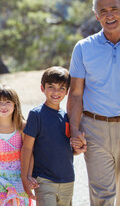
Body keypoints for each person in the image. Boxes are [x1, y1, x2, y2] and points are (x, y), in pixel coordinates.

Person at [67, 0, 120, 206]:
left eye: (115, 9)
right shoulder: (83, 48)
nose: (109, 15)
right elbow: (76, 93)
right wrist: (75, 130)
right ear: (96, 16)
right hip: (95, 129)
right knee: (102, 196)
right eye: (103, 11)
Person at [21, 66, 80, 206]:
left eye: (61, 88)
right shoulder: (36, 115)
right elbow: (27, 148)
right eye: (51, 87)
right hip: (44, 180)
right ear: (42, 88)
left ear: (67, 92)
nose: (56, 92)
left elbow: (67, 149)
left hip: (67, 180)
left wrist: (79, 148)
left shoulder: (67, 117)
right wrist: (25, 177)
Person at [0, 85, 36, 206]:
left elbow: (29, 153)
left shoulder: (21, 127)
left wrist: (29, 175)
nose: (3, 106)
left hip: (19, 176)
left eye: (7, 102)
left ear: (15, 104)